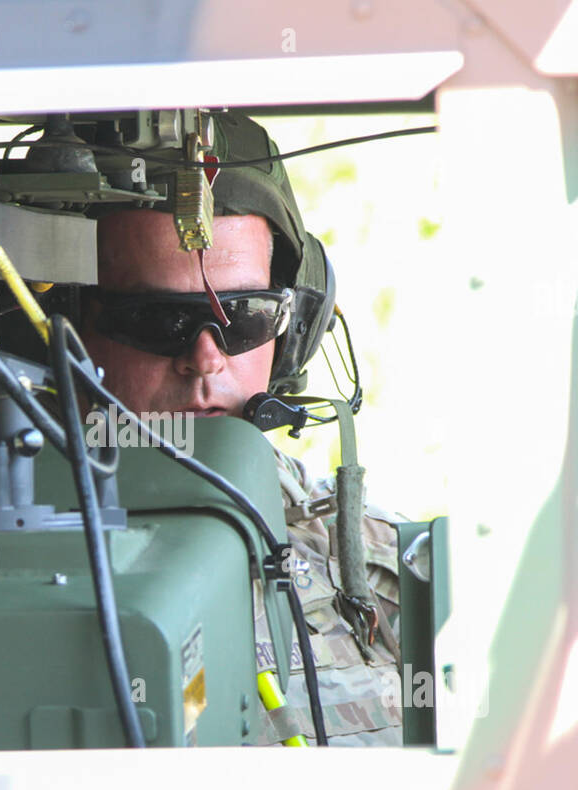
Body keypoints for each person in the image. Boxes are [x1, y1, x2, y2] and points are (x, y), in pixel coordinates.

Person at [72, 111, 404, 746]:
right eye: (157, 319)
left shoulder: (359, 558)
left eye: (246, 316)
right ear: (70, 326)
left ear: (295, 330)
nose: (204, 359)